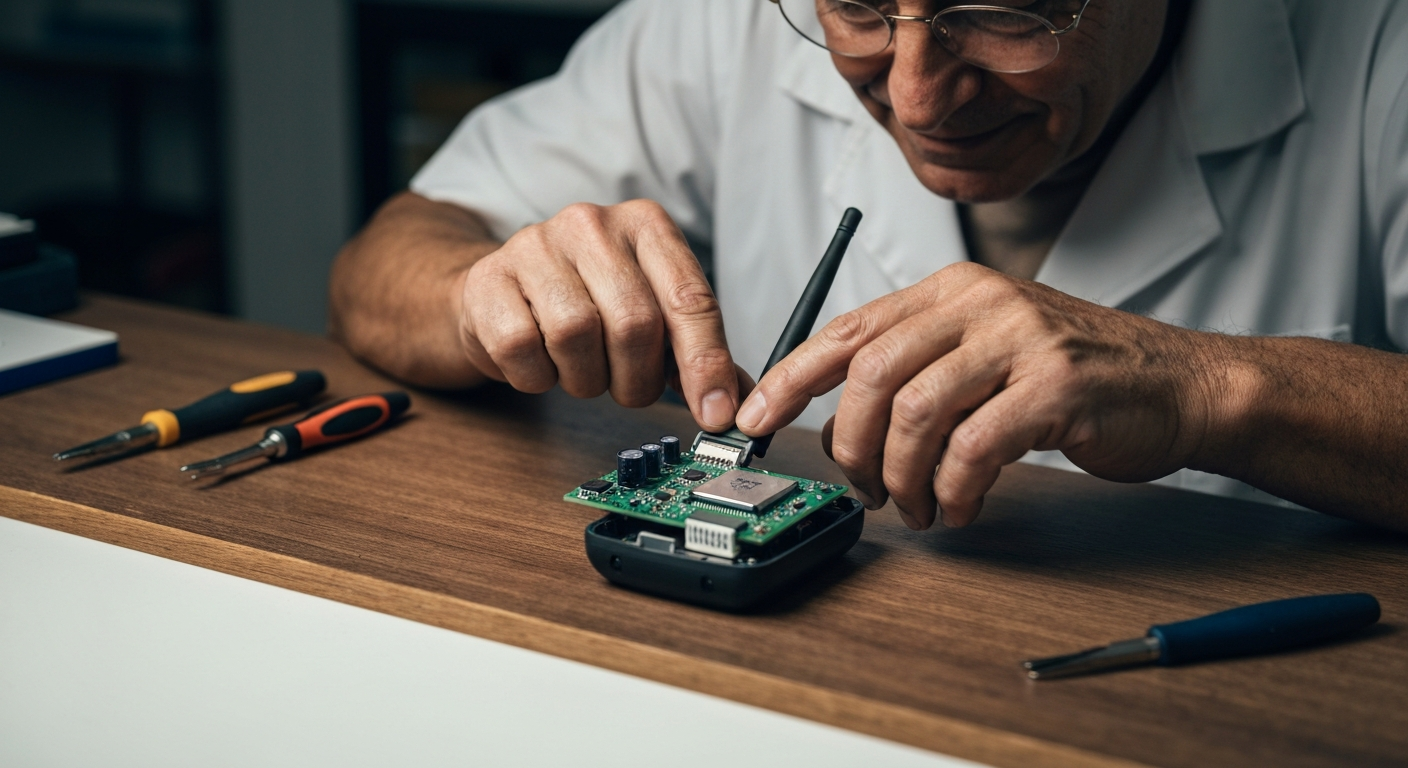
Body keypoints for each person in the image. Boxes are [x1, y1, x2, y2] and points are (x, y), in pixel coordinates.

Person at [330, 0, 1408, 532]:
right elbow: (382, 263)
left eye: (1000, 16)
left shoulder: (1380, 54)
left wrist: (1210, 388)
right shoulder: (729, 22)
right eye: (854, 7)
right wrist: (484, 299)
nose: (917, 97)